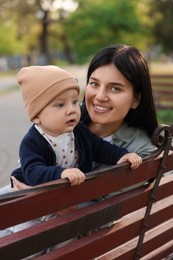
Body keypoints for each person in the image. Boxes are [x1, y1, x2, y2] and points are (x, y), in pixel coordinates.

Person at [12, 43, 158, 191]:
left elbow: (101, 149)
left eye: (115, 88)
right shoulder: (57, 129)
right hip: (23, 191)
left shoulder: (141, 151)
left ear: (136, 100)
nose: (100, 96)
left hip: (50, 208)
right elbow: (32, 169)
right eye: (94, 83)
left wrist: (122, 155)